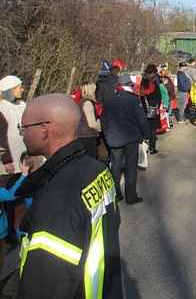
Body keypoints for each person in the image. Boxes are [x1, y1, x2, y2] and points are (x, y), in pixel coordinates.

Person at [16, 94, 123, 297]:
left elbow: (47, 285)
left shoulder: (58, 198)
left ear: (44, 129)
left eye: (24, 127)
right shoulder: (97, 169)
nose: (22, 134)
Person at [102, 75, 150, 204]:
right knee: (131, 167)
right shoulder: (134, 100)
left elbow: (104, 120)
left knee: (115, 167)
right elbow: (142, 120)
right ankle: (131, 196)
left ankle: (116, 194)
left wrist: (107, 135)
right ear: (131, 85)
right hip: (131, 138)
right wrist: (146, 135)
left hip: (113, 138)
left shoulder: (109, 100)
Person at [0, 75, 27, 173]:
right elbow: (1, 136)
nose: (23, 89)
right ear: (10, 90)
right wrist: (7, 160)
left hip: (23, 152)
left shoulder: (22, 105)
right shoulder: (2, 108)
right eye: (19, 87)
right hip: (8, 158)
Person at [140, 65, 162, 154]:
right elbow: (157, 96)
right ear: (152, 72)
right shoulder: (152, 82)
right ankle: (152, 148)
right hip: (152, 108)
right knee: (152, 129)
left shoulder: (143, 81)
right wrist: (158, 105)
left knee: (145, 128)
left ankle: (144, 147)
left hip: (144, 107)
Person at [77, 82, 101, 158]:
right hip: (88, 136)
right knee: (91, 159)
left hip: (81, 135)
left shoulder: (81, 102)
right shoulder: (87, 103)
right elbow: (92, 124)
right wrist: (100, 125)